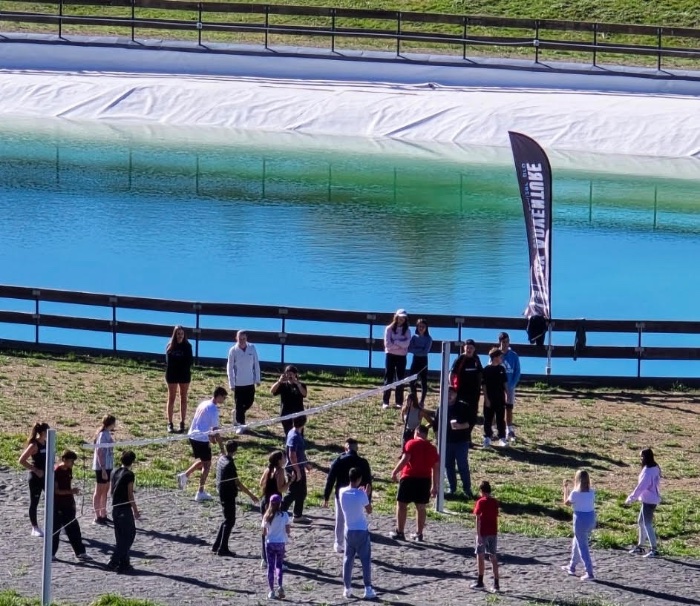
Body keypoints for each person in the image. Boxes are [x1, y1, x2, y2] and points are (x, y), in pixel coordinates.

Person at [176, 387, 227, 501]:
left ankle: (184, 476)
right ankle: (200, 492)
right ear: (219, 396)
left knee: (204, 461)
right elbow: (216, 431)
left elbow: (203, 423)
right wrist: (222, 450)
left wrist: (210, 436)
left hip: (193, 436)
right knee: (207, 465)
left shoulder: (203, 403)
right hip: (201, 439)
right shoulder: (213, 410)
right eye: (224, 397)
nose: (224, 400)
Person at [390, 425, 439, 542]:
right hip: (425, 480)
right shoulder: (432, 448)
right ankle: (419, 533)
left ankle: (400, 531)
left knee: (402, 505)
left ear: (416, 432)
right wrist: (434, 486)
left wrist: (394, 472)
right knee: (421, 507)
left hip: (409, 478)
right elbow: (436, 468)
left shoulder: (411, 443)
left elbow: (405, 459)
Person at [323, 438, 373, 553]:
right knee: (356, 519)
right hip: (358, 495)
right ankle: (353, 544)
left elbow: (330, 479)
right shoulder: (363, 462)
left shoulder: (339, 460)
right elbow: (368, 482)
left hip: (341, 494)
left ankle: (338, 543)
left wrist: (326, 496)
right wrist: (368, 499)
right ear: (357, 448)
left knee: (340, 519)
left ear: (346, 448)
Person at [212, 440, 259, 557]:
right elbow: (238, 483)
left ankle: (217, 545)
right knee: (230, 521)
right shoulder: (230, 464)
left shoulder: (222, 459)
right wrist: (251, 495)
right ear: (236, 450)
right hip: (228, 494)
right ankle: (223, 548)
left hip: (222, 492)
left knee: (227, 520)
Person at [339, 467, 376, 600]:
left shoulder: (342, 491)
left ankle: (347, 588)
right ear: (359, 479)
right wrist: (366, 494)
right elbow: (369, 510)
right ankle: (368, 588)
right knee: (365, 560)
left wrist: (362, 493)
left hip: (348, 530)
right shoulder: (361, 495)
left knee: (348, 559)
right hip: (361, 530)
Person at [107, 450, 140, 573]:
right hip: (124, 509)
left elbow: (111, 491)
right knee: (129, 536)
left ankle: (124, 563)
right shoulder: (129, 475)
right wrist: (135, 510)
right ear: (132, 462)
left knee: (120, 537)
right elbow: (130, 495)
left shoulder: (114, 471)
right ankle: (114, 561)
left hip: (115, 508)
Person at [625, 448, 662, 558]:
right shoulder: (655, 468)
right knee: (641, 522)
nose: (640, 459)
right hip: (650, 499)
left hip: (649, 500)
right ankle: (640, 546)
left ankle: (654, 549)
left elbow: (641, 487)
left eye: (642, 457)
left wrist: (631, 498)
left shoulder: (647, 471)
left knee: (647, 524)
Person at [52, 450, 88, 561]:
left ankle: (80, 552)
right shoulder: (56, 471)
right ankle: (51, 553)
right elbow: (56, 491)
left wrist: (72, 501)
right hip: (57, 504)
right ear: (64, 459)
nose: (72, 463)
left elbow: (68, 485)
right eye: (71, 461)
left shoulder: (68, 470)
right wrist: (71, 491)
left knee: (74, 528)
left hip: (68, 503)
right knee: (55, 530)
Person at [562, 470, 596, 581]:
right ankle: (572, 566)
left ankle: (589, 572)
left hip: (580, 520)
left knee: (582, 546)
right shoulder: (592, 492)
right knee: (577, 541)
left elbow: (566, 503)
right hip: (591, 518)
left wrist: (565, 488)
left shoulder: (575, 493)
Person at [259, 451, 291, 566]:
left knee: (266, 529)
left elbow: (261, 483)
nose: (285, 459)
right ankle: (276, 559)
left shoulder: (267, 469)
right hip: (274, 503)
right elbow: (281, 489)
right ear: (279, 460)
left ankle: (265, 558)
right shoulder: (280, 471)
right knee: (277, 531)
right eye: (283, 458)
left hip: (265, 502)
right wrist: (290, 481)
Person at [449, 339, 483, 447]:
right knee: (462, 416)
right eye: (467, 348)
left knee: (472, 417)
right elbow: (452, 374)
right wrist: (452, 388)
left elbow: (481, 373)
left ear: (474, 349)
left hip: (474, 394)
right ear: (464, 348)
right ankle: (464, 439)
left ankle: (468, 437)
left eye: (471, 348)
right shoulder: (460, 359)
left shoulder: (476, 359)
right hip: (461, 393)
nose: (469, 350)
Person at [18, 422, 50, 537]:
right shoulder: (34, 445)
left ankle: (56, 524)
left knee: (54, 499)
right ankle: (35, 527)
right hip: (35, 478)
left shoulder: (47, 443)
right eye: (47, 431)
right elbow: (21, 460)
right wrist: (36, 470)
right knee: (34, 502)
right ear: (43, 432)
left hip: (46, 476)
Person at [227, 330, 261, 434]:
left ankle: (237, 413)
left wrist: (257, 379)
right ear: (236, 338)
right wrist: (231, 383)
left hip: (250, 382)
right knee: (239, 404)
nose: (242, 341)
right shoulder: (233, 350)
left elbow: (256, 363)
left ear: (246, 339)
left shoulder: (252, 348)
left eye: (244, 339)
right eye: (240, 339)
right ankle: (241, 424)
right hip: (238, 384)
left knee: (249, 402)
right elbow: (230, 368)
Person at [470, 480, 500, 592]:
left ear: (481, 491)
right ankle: (496, 583)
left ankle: (480, 581)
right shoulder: (494, 502)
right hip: (493, 531)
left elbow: (478, 519)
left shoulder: (480, 502)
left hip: (483, 532)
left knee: (480, 556)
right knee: (493, 556)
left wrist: (478, 534)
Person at [282, 415, 312, 524]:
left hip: (299, 467)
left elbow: (300, 452)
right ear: (304, 424)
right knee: (293, 493)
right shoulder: (294, 436)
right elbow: (292, 455)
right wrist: (297, 471)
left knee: (302, 492)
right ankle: (279, 511)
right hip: (294, 469)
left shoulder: (294, 433)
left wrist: (305, 464)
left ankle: (297, 515)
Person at [165, 325, 194, 434]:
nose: (180, 336)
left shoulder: (188, 346)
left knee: (183, 397)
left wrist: (180, 363)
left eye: (182, 334)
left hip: (184, 374)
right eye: (178, 334)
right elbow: (169, 362)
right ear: (175, 334)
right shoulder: (170, 346)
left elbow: (190, 361)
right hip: (172, 374)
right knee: (171, 397)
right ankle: (170, 423)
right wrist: (180, 362)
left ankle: (182, 422)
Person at [262, 494, 291, 601]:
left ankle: (271, 590)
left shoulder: (266, 516)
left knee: (270, 567)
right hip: (281, 543)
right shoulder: (285, 515)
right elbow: (288, 530)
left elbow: (264, 533)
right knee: (279, 566)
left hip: (270, 543)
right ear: (280, 504)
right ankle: (280, 585)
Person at [445, 388, 473, 498]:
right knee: (448, 466)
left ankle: (467, 489)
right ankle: (452, 488)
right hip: (447, 442)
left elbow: (470, 422)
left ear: (456, 394)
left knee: (462, 465)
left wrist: (459, 426)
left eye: (451, 393)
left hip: (461, 442)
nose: (449, 395)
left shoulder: (463, 406)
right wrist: (438, 439)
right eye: (447, 393)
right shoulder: (442, 407)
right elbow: (436, 425)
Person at [382, 309, 411, 409]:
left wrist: (396, 342)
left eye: (404, 318)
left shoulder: (407, 330)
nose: (401, 319)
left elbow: (407, 344)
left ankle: (399, 402)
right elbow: (388, 345)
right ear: (396, 317)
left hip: (402, 357)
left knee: (400, 378)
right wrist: (400, 344)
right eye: (400, 317)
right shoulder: (389, 329)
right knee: (388, 377)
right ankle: (385, 401)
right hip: (390, 355)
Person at [92, 414, 116, 525]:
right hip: (102, 466)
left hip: (108, 465)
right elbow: (100, 452)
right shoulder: (102, 435)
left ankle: (103, 513)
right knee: (99, 491)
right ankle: (97, 516)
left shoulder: (107, 434)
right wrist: (102, 468)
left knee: (105, 490)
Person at [271, 365, 307, 436]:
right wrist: (279, 381)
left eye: (291, 374)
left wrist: (298, 384)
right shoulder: (283, 385)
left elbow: (304, 394)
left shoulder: (301, 385)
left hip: (299, 412)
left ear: (295, 374)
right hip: (285, 412)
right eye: (287, 374)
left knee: (299, 434)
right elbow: (272, 391)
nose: (289, 376)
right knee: (288, 433)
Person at [482, 348, 508, 447]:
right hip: (489, 398)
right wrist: (486, 399)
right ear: (495, 357)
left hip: (500, 398)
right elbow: (484, 385)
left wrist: (507, 395)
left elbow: (505, 383)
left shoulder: (502, 369)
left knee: (500, 418)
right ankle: (487, 437)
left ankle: (502, 438)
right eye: (500, 357)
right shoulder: (486, 369)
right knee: (488, 418)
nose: (501, 359)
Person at [498, 332, 521, 442]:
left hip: (510, 386)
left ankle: (509, 429)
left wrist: (511, 386)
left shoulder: (514, 356)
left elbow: (517, 372)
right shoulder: (496, 354)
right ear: (500, 342)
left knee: (509, 407)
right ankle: (495, 428)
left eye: (507, 342)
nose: (505, 344)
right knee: (497, 408)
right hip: (498, 387)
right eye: (503, 342)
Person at [408, 318, 432, 406]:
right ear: (417, 327)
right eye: (419, 326)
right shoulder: (414, 337)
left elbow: (425, 351)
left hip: (423, 361)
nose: (421, 328)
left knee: (423, 381)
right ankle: (414, 399)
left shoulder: (428, 338)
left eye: (423, 326)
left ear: (426, 328)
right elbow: (410, 349)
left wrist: (416, 349)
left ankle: (422, 401)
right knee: (412, 380)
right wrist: (419, 349)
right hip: (415, 360)